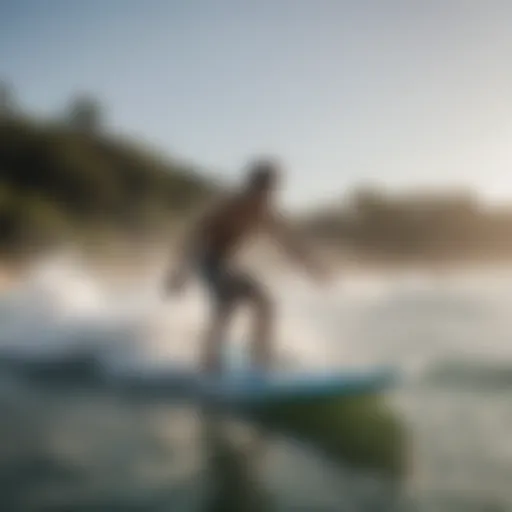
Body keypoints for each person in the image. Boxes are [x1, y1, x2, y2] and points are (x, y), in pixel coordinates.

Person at [164, 158, 328, 375]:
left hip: (226, 263)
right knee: (228, 303)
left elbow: (288, 244)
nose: (266, 194)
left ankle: (259, 362)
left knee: (265, 303)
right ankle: (210, 365)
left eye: (270, 189)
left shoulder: (265, 213)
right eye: (262, 188)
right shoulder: (230, 205)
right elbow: (195, 235)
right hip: (207, 260)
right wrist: (180, 272)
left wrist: (312, 268)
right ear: (252, 185)